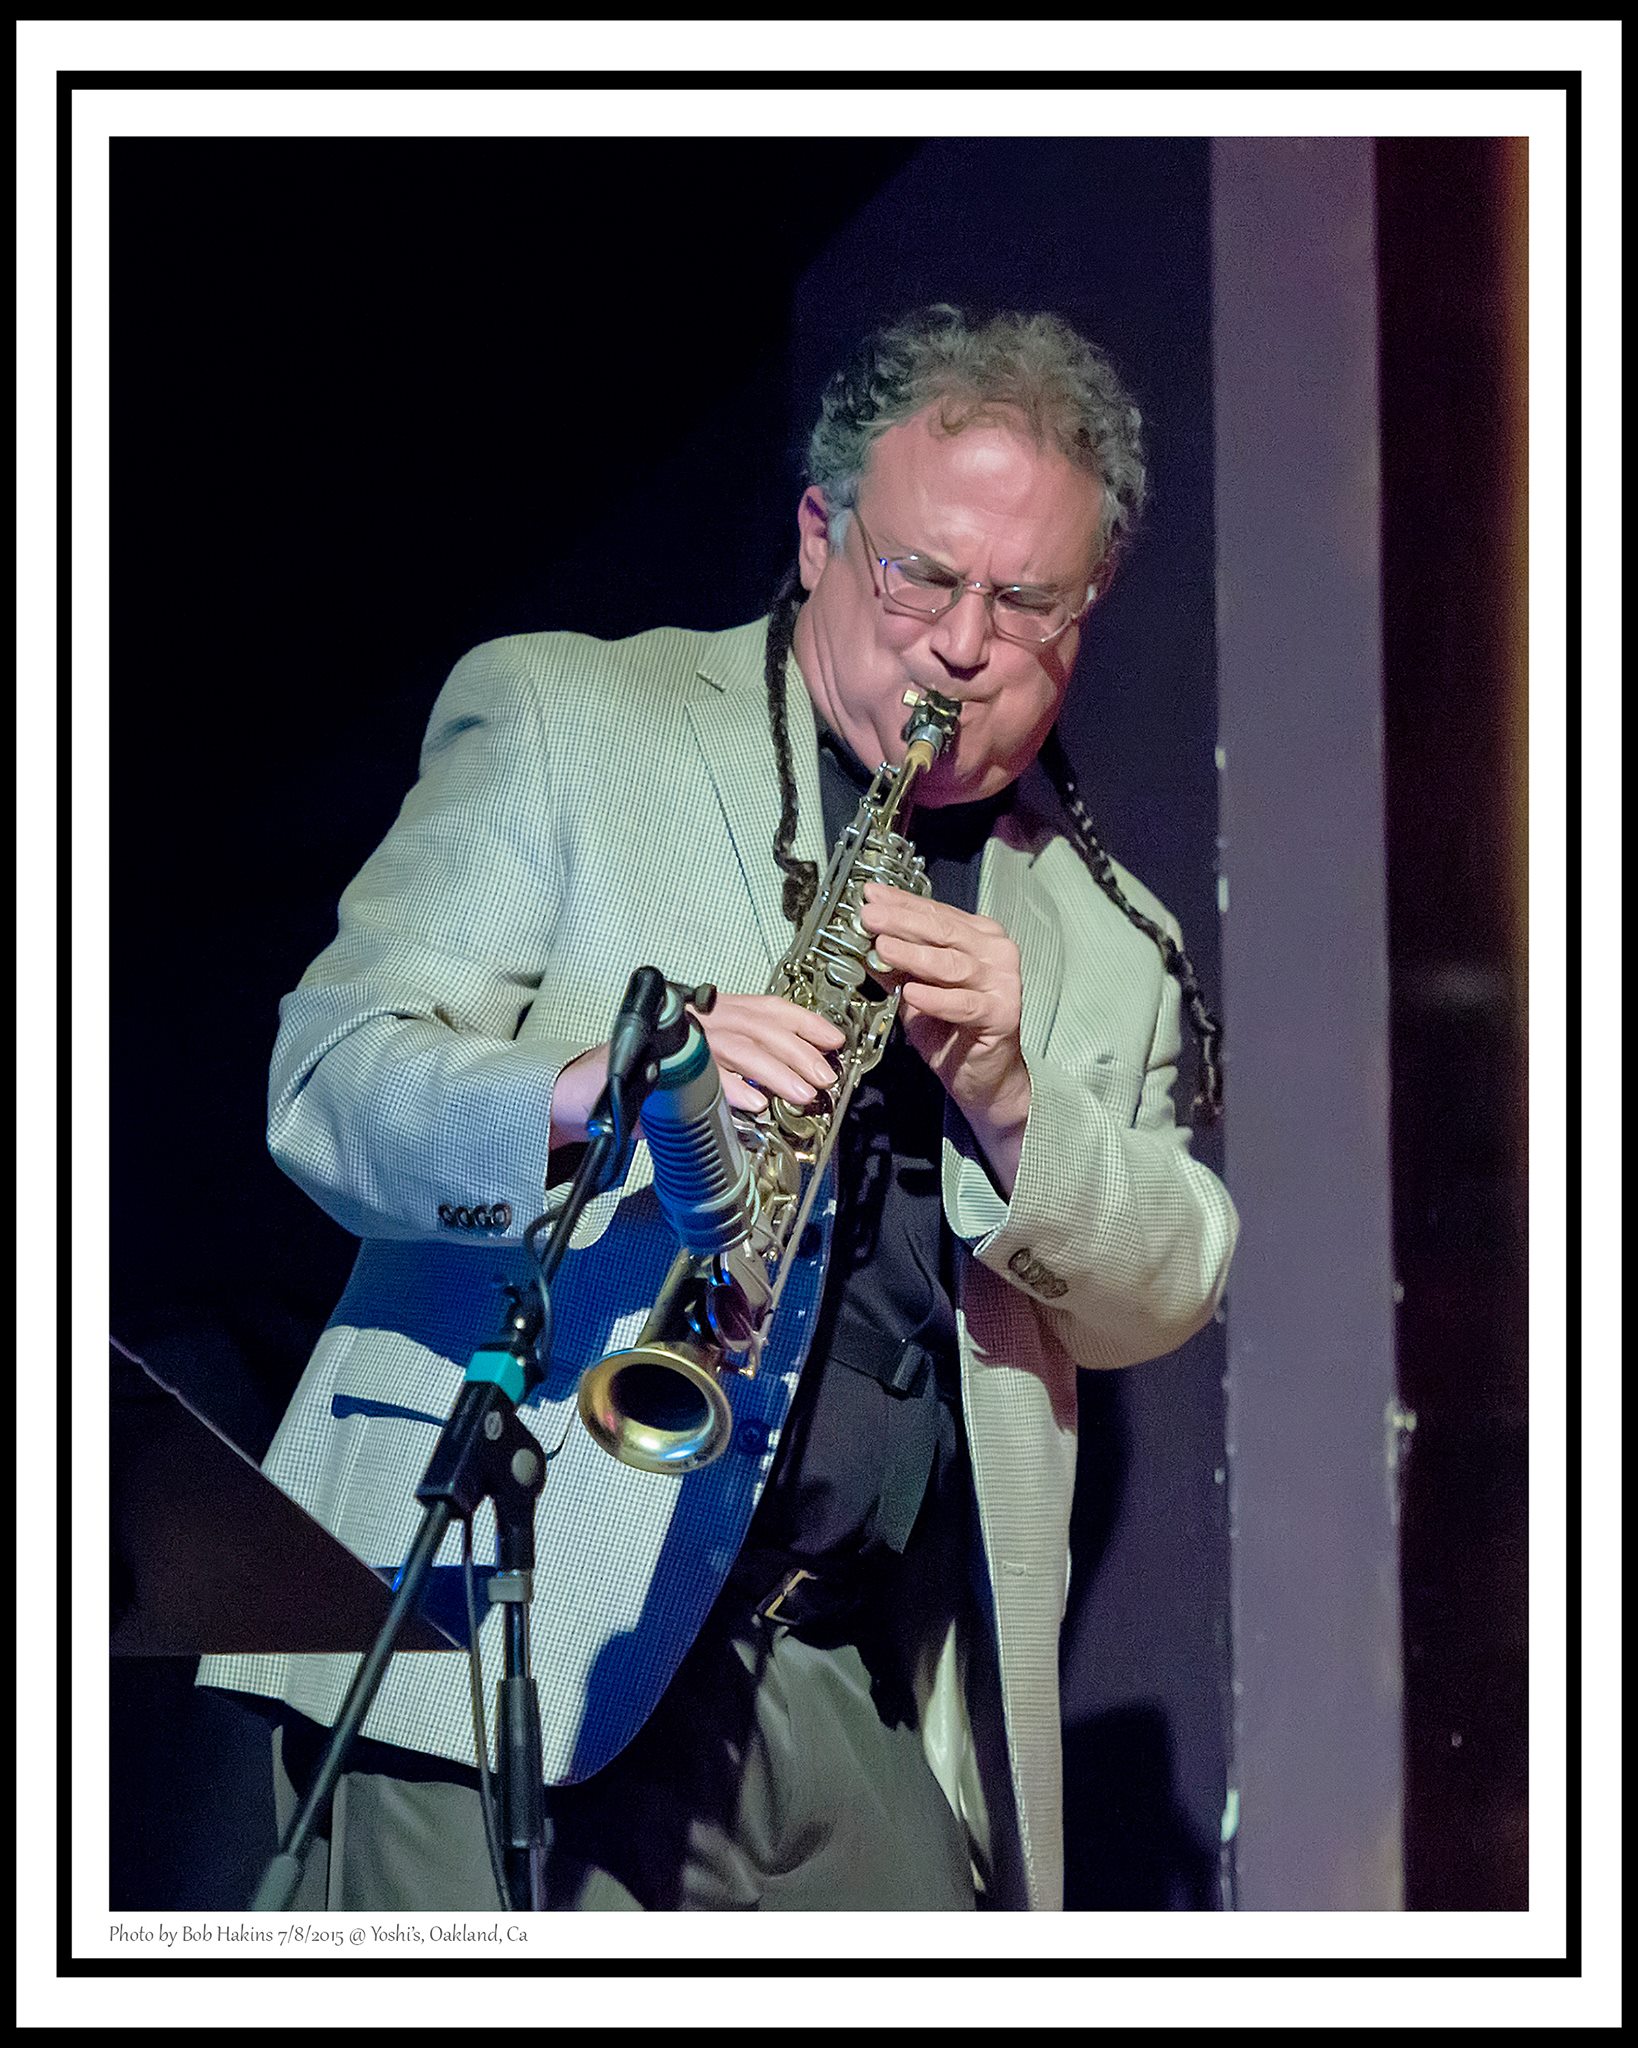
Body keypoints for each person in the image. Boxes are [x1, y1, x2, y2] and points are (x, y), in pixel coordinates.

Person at [198, 304, 1239, 1913]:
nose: (961, 647)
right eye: (919, 576)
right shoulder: (565, 714)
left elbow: (1162, 1285)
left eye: (1023, 602)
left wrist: (1014, 1105)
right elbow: (328, 1084)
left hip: (837, 1668)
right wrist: (600, 1087)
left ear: (1086, 606)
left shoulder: (1110, 934)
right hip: (492, 1619)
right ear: (819, 536)